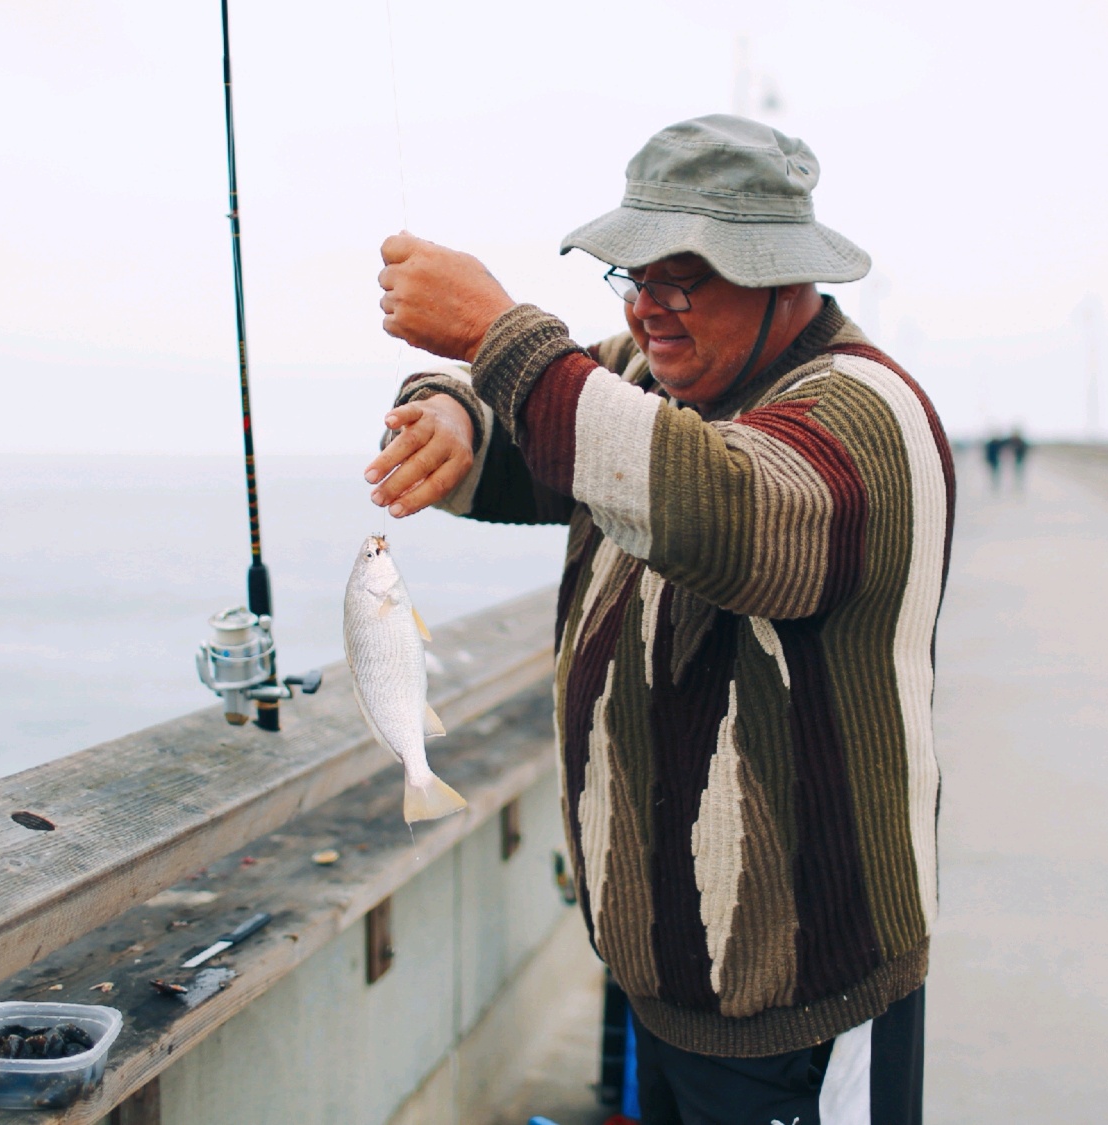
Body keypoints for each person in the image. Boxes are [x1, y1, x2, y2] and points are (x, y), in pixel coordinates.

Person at [366, 115, 952, 1125]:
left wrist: (499, 332)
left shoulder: (862, 416)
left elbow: (715, 508)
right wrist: (454, 408)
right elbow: (541, 420)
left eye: (683, 278)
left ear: (782, 276)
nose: (647, 314)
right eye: (632, 279)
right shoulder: (654, 380)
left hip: (799, 1002)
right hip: (664, 983)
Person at [1005, 427, 1029, 493]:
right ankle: (1014, 485)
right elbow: (1005, 445)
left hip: (1020, 459)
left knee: (1019, 472)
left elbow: (1026, 448)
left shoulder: (1021, 442)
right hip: (1013, 459)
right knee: (1013, 472)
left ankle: (1019, 485)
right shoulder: (1011, 441)